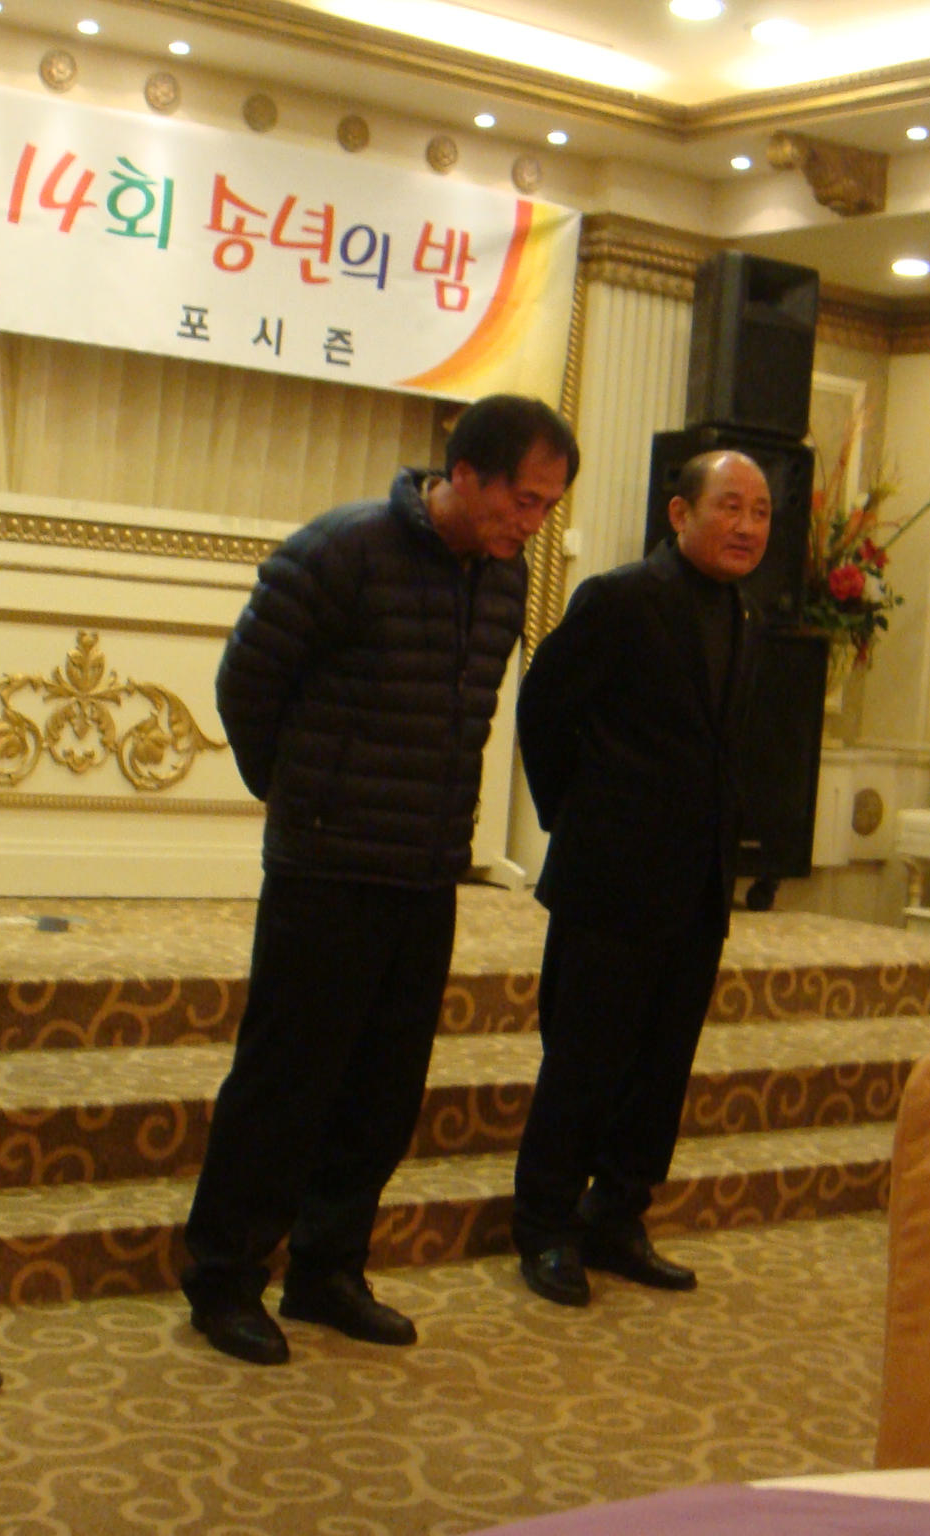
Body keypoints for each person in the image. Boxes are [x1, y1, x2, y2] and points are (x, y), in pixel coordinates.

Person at [182, 394, 579, 1365]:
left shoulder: (503, 575)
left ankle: (328, 1269)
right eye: (522, 500)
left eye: (546, 506)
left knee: (382, 1091)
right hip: (326, 865)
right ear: (466, 473)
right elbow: (246, 685)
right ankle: (224, 1278)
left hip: (426, 870)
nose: (532, 523)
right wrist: (300, 797)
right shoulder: (343, 549)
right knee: (285, 1083)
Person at [509, 450, 770, 1308]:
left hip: (698, 885)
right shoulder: (620, 598)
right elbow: (545, 709)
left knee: (661, 1068)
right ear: (680, 513)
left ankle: (617, 1216)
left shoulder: (745, 613)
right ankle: (545, 1225)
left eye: (761, 513)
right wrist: (576, 819)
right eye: (730, 506)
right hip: (611, 880)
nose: (747, 527)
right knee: (584, 1062)